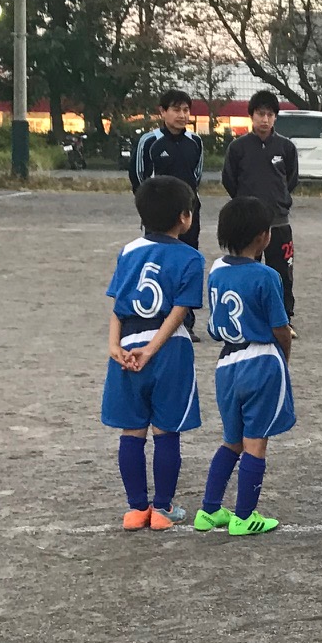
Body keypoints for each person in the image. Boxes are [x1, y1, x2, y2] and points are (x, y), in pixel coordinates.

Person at [99, 177, 204, 529]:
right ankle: (162, 509)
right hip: (168, 349)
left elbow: (119, 306)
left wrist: (114, 346)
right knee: (165, 430)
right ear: (184, 217)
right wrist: (152, 348)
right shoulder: (191, 257)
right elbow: (179, 312)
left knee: (131, 431)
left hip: (127, 346)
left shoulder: (129, 251)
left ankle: (135, 509)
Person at [193, 197, 293, 536]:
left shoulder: (216, 269)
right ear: (264, 236)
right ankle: (244, 516)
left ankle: (209, 510)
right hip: (260, 360)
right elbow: (281, 328)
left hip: (226, 363)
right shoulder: (267, 276)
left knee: (231, 440)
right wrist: (284, 359)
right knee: (256, 442)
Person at [220, 90, 299, 325]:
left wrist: (279, 199)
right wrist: (245, 205)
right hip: (247, 224)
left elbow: (291, 179)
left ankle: (284, 318)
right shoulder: (238, 147)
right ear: (251, 116)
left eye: (269, 115)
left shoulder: (286, 147)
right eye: (260, 114)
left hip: (278, 222)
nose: (265, 119)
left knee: (282, 271)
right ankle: (247, 313)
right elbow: (229, 180)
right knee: (246, 269)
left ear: (275, 117)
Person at [131, 89, 205, 249]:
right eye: (176, 110)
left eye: (186, 110)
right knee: (159, 253)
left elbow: (197, 175)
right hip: (158, 212)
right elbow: (137, 177)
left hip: (188, 210)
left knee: (188, 252)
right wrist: (150, 204)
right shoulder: (149, 141)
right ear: (163, 111)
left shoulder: (195, 141)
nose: (182, 115)